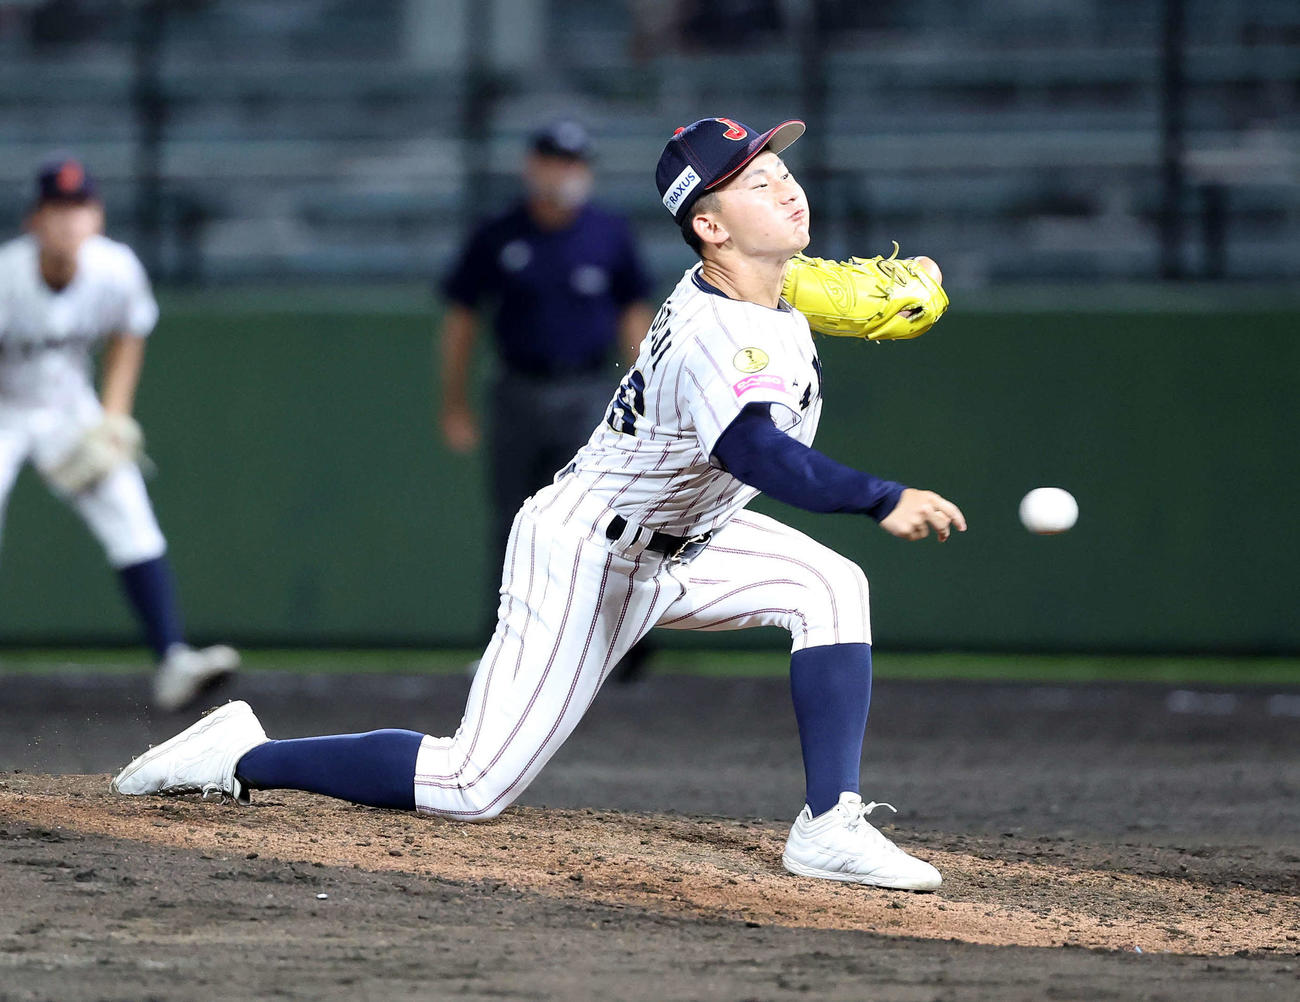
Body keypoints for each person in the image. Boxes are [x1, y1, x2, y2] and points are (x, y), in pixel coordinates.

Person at [111, 117, 966, 890]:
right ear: (708, 226)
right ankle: (242, 755)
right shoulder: (721, 332)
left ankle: (828, 826)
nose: (783, 182)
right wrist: (878, 495)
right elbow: (752, 450)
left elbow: (811, 290)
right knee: (469, 784)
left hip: (689, 541)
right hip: (589, 552)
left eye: (779, 166)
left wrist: (895, 286)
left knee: (829, 588)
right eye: (752, 180)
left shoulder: (760, 286)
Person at [0, 157, 239, 712]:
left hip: (66, 409)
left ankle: (172, 658)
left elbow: (129, 334)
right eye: (56, 210)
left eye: (79, 208)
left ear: (97, 217)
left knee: (128, 509)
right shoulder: (7, 275)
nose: (68, 222)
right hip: (4, 409)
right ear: (33, 220)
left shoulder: (115, 268)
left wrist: (114, 416)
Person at [438, 119, 657, 681]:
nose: (564, 174)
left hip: (589, 393)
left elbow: (634, 313)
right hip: (516, 389)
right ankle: (510, 648)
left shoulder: (607, 233)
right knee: (516, 521)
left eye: (574, 163)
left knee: (603, 519)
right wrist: (454, 403)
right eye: (554, 161)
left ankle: (616, 649)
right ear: (532, 166)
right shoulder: (499, 233)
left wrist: (643, 394)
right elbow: (462, 317)